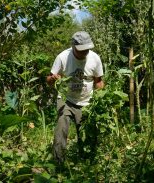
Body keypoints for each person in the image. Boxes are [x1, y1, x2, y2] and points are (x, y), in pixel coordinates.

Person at [46, 31, 104, 164]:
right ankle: (58, 162)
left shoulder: (95, 59)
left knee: (85, 133)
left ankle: (86, 162)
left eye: (87, 49)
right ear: (73, 46)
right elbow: (49, 79)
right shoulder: (62, 57)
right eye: (81, 50)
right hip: (66, 99)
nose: (85, 52)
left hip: (86, 100)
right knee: (61, 127)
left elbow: (99, 81)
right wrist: (53, 79)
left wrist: (101, 99)